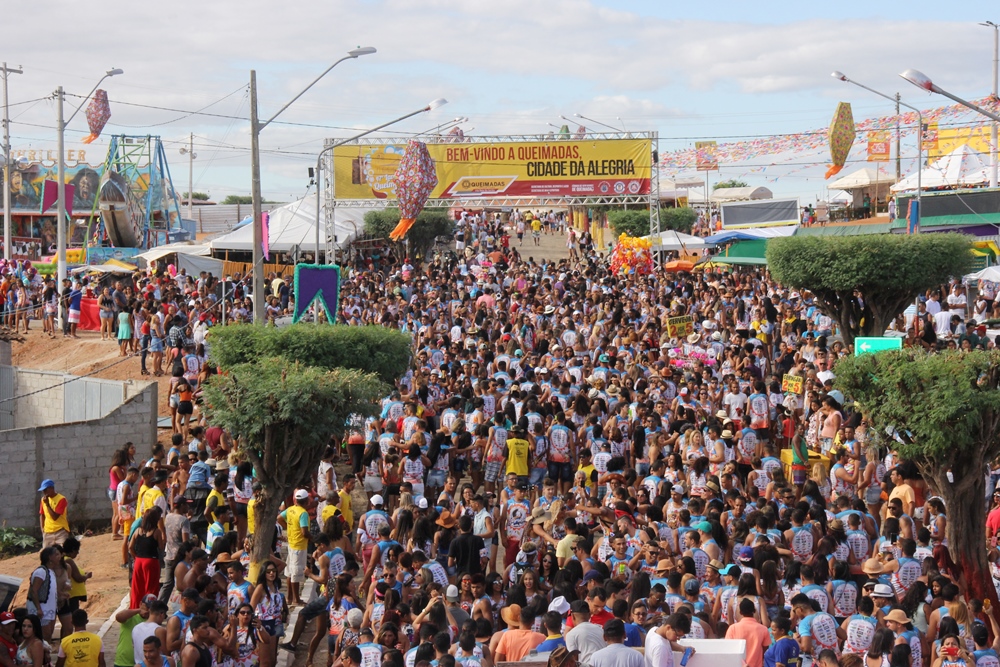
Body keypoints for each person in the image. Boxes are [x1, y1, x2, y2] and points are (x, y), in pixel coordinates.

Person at [278, 489, 311, 606]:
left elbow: (279, 518)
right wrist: (313, 538)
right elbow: (304, 532)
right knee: (296, 573)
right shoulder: (303, 513)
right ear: (306, 501)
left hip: (292, 543)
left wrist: (289, 528)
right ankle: (296, 600)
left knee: (289, 572)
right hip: (299, 545)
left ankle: (289, 597)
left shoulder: (291, 509)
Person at [726, 598, 771, 667]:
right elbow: (765, 647)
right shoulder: (763, 629)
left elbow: (729, 648)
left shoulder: (733, 628)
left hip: (739, 665)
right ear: (754, 611)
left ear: (740, 612)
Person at [565, 600, 606, 665]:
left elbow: (573, 660)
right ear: (589, 615)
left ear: (572, 616)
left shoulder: (571, 634)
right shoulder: (601, 629)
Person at [38, 479, 71, 548]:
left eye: (45, 490)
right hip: (48, 532)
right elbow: (42, 514)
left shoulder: (61, 499)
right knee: (47, 556)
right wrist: (42, 529)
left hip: (60, 531)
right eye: (43, 490)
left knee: (62, 553)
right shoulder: (43, 500)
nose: (44, 492)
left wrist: (47, 504)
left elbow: (55, 517)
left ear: (51, 488)